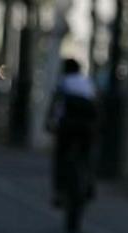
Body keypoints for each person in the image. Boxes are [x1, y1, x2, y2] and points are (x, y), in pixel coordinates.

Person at [46, 58, 99, 208]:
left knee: (61, 157)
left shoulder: (64, 81)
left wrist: (49, 122)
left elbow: (56, 103)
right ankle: (89, 184)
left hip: (68, 126)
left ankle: (59, 191)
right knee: (87, 156)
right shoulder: (87, 82)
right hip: (86, 126)